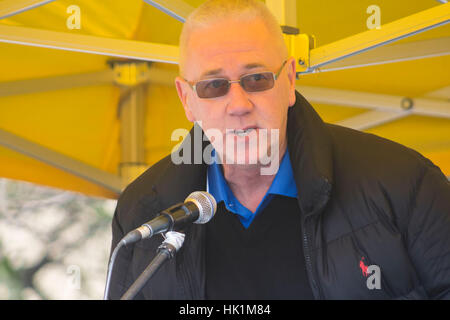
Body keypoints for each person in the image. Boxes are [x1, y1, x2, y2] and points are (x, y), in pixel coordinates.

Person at [107, 0, 450, 300]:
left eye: (257, 79)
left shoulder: (405, 184)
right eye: (214, 86)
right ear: (187, 100)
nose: (238, 104)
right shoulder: (140, 212)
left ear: (289, 81)